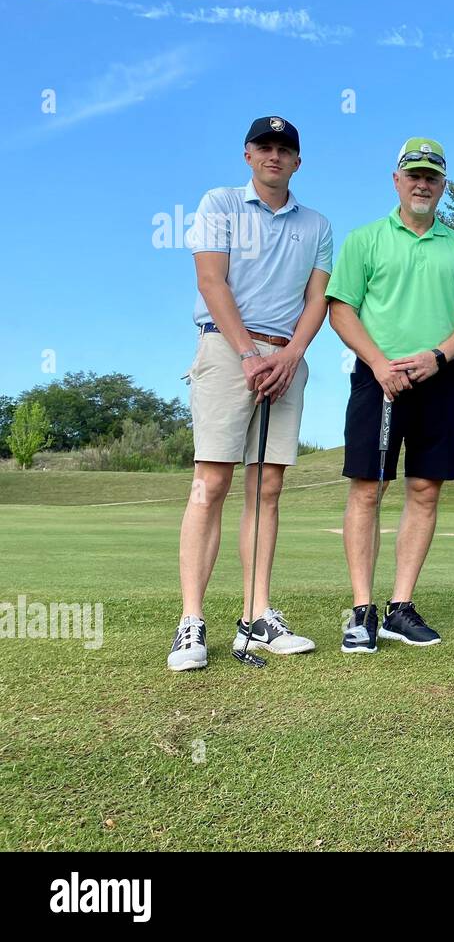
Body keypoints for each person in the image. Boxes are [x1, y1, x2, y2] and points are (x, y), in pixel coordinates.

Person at [168, 116, 332, 672]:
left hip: (286, 359)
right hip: (225, 351)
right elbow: (211, 281)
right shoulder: (219, 203)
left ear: (298, 161)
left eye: (285, 149)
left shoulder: (317, 224)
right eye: (265, 146)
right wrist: (247, 353)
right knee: (211, 483)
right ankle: (191, 622)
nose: (274, 156)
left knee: (266, 489)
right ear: (248, 154)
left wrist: (288, 356)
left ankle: (257, 614)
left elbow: (317, 301)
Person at [326, 138, 454, 653]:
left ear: (443, 185)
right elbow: (341, 310)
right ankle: (361, 611)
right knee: (368, 489)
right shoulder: (366, 239)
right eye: (413, 174)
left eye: (432, 177)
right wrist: (378, 363)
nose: (422, 183)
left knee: (425, 490)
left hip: (438, 379)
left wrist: (437, 357)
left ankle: (400, 607)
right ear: (396, 180)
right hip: (379, 378)